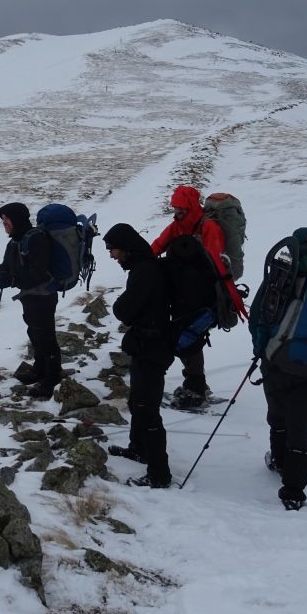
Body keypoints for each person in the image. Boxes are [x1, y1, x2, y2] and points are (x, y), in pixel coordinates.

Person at [101, 223, 174, 488]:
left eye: (114, 250)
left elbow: (124, 309)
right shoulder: (144, 267)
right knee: (138, 402)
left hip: (152, 347)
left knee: (147, 409)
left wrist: (120, 305)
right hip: (148, 345)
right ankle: (139, 448)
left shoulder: (145, 271)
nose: (112, 255)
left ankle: (159, 474)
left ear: (127, 248)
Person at [148, 185, 230, 409]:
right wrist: (142, 263)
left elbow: (215, 262)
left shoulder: (209, 227)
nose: (177, 211)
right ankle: (196, 385)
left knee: (190, 338)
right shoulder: (177, 226)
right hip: (182, 293)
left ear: (192, 206)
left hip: (203, 296)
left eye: (181, 208)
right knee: (188, 338)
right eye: (175, 207)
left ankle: (195, 388)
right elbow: (157, 245)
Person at [0, 202, 63, 399]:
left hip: (43, 296)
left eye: (7, 219)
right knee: (34, 332)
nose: (4, 223)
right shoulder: (15, 241)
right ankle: (40, 369)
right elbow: (7, 266)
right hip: (30, 296)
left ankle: (52, 378)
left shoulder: (37, 239)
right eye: (3, 219)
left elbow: (38, 272)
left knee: (45, 336)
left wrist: (13, 280)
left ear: (18, 220)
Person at [260, 362, 307, 511]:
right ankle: (293, 493)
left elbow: (259, 338)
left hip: (276, 366)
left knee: (277, 417)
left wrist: (261, 353)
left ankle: (281, 462)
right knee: (300, 426)